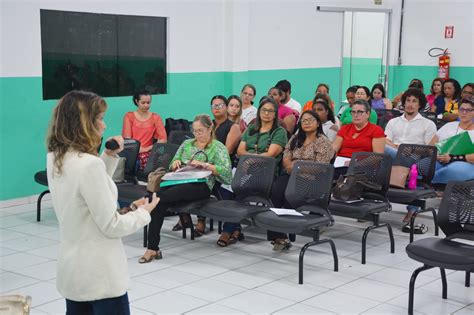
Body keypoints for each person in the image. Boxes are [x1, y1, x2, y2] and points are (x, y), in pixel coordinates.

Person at [46, 90, 159, 314]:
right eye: (99, 118)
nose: (104, 125)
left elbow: (87, 190)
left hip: (73, 271)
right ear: (84, 124)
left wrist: (107, 156)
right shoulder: (89, 165)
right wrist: (143, 212)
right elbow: (111, 225)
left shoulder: (55, 156)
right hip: (100, 274)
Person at [141, 115, 232, 262]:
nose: (197, 134)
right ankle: (153, 249)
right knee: (159, 201)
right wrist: (176, 162)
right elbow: (172, 163)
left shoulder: (218, 147)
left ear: (210, 129)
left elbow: (227, 175)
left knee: (157, 199)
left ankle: (144, 203)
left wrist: (206, 165)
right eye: (195, 131)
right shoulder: (187, 144)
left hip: (201, 185)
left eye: (200, 131)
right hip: (180, 180)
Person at [217, 97, 288, 248]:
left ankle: (229, 231)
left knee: (271, 194)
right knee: (227, 189)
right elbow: (240, 150)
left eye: (270, 111)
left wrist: (249, 159)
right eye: (264, 110)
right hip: (246, 172)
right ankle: (233, 229)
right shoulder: (252, 128)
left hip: (267, 174)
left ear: (275, 114)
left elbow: (270, 154)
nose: (267, 114)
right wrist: (250, 158)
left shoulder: (279, 132)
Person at [269, 110, 335, 250]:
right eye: (304, 120)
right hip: (290, 175)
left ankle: (288, 230)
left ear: (318, 123)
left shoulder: (323, 141)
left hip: (311, 180)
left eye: (310, 120)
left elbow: (320, 167)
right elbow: (286, 157)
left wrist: (297, 166)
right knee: (274, 192)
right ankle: (278, 236)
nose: (306, 123)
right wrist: (293, 166)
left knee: (289, 196)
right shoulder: (296, 138)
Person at [430, 98, 474, 184]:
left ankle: (428, 182)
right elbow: (430, 146)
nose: (464, 112)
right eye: (461, 109)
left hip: (466, 162)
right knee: (426, 165)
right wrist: (437, 155)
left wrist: (452, 158)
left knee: (452, 169)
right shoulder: (449, 125)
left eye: (468, 110)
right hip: (440, 158)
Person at [384, 88, 437, 160]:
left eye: (414, 101)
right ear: (404, 103)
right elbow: (386, 141)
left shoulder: (428, 124)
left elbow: (430, 149)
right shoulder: (393, 122)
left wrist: (411, 150)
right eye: (408, 100)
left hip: (415, 158)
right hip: (393, 154)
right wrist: (399, 148)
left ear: (420, 105)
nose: (410, 104)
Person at [122, 89, 167, 169]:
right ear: (136, 101)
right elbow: (127, 140)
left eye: (148, 103)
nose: (146, 105)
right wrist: (137, 149)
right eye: (143, 103)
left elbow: (163, 139)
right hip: (132, 151)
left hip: (149, 152)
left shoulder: (155, 117)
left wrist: (147, 149)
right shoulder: (129, 116)